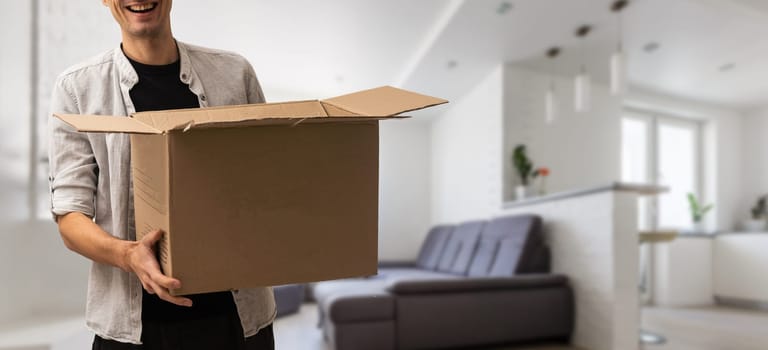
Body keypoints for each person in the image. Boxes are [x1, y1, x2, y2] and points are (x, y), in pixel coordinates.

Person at [47, 1, 276, 348]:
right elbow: (70, 215)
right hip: (134, 331)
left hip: (238, 323)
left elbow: (270, 180)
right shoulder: (78, 88)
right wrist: (126, 255)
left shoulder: (234, 74)